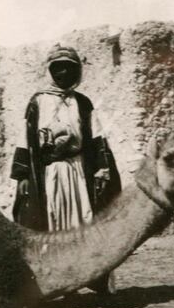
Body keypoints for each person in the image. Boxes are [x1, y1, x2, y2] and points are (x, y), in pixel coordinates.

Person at [10, 44, 121, 293]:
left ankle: (87, 279)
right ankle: (53, 284)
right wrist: (22, 175)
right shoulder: (37, 102)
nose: (63, 74)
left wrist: (102, 170)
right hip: (50, 174)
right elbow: (24, 139)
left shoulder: (82, 103)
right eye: (57, 68)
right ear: (50, 71)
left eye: (69, 69)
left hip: (78, 172)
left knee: (81, 224)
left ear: (77, 72)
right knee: (51, 223)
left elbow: (97, 139)